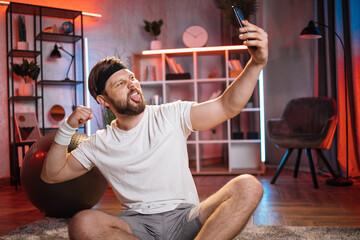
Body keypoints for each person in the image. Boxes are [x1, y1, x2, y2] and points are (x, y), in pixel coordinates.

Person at [41, 20, 268, 240]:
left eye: (131, 78)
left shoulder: (172, 114)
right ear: (103, 100)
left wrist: (256, 63)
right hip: (136, 225)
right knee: (82, 223)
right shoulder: (99, 142)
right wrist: (68, 127)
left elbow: (225, 106)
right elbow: (51, 175)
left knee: (248, 185)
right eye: (120, 84)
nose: (132, 84)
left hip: (187, 218)